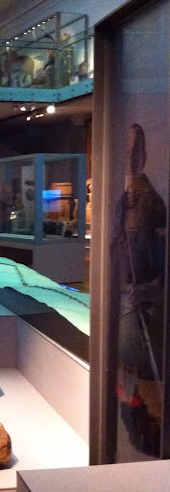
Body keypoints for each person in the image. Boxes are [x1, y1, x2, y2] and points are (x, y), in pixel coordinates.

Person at [111, 123, 166, 458]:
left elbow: (164, 269)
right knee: (125, 385)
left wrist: (146, 291)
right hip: (124, 308)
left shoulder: (155, 206)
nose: (131, 157)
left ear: (144, 156)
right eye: (126, 151)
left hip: (148, 313)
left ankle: (152, 441)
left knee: (146, 383)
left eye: (136, 151)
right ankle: (135, 439)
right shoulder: (121, 203)